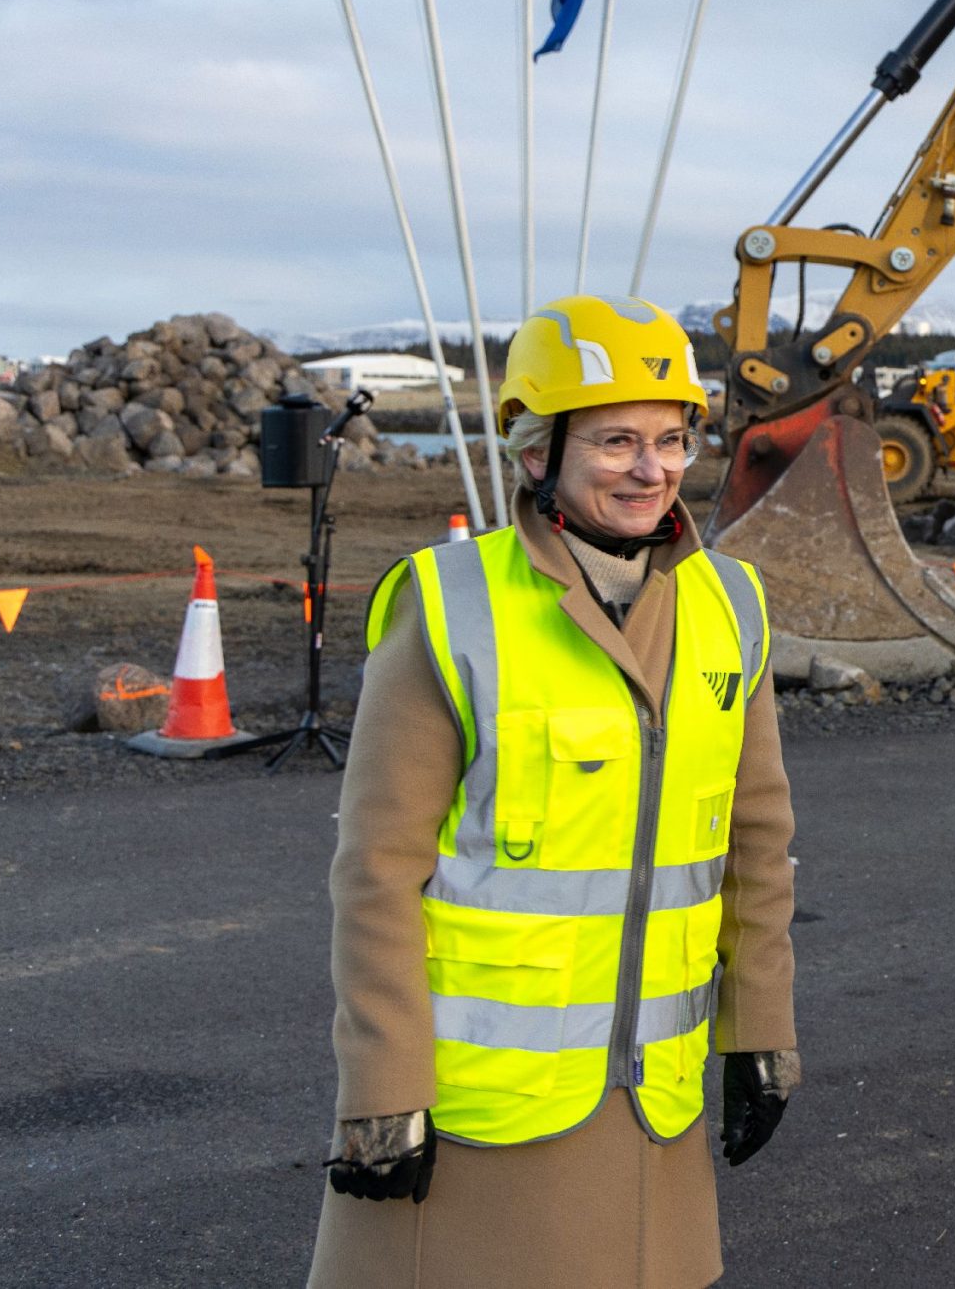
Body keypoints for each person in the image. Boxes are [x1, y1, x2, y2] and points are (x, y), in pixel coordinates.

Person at [307, 295, 798, 1289]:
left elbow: (756, 841)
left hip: (654, 1108)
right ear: (538, 451)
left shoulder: (730, 606)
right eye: (615, 438)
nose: (650, 467)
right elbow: (377, 872)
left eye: (669, 438)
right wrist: (382, 1085)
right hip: (480, 1112)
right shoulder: (449, 608)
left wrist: (761, 1030)